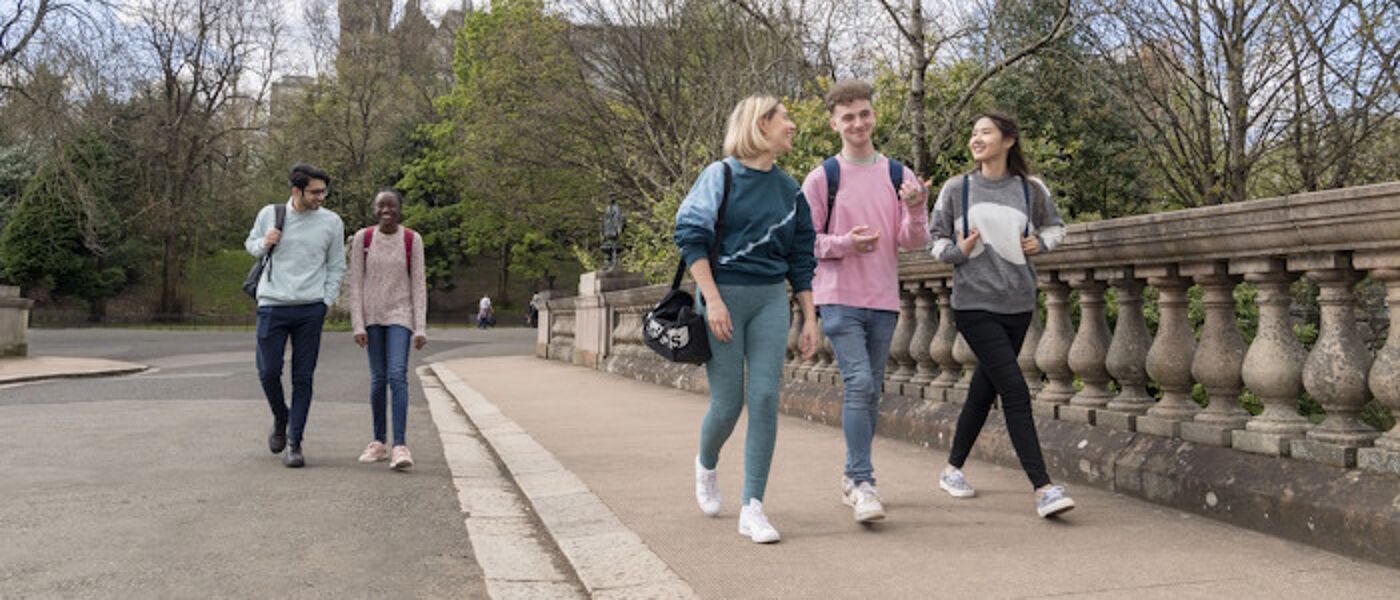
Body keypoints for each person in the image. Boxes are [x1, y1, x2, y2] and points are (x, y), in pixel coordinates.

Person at [675, 95, 819, 544]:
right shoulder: (719, 176)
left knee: (763, 398)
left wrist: (811, 317)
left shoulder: (791, 191)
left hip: (771, 299)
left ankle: (752, 507)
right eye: (785, 118)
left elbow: (801, 257)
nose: (792, 125)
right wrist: (712, 300)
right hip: (723, 296)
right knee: (728, 402)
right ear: (760, 124)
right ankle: (706, 464)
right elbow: (691, 237)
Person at [928, 111, 1074, 517]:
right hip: (974, 305)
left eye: (985, 132)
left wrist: (1040, 245)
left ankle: (952, 468)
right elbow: (934, 240)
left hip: (1019, 304)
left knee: (985, 388)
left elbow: (1057, 228)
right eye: (973, 132)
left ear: (1008, 140)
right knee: (1014, 388)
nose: (976, 138)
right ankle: (1043, 488)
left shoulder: (1031, 189)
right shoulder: (958, 188)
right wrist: (960, 251)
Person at [800, 80, 931, 523]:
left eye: (864, 114)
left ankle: (852, 480)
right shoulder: (823, 178)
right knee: (859, 383)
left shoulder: (900, 175)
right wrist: (844, 244)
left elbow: (913, 242)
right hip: (838, 299)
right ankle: (863, 480)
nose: (858, 123)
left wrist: (916, 207)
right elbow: (803, 243)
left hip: (884, 300)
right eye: (848, 116)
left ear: (874, 116)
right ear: (834, 123)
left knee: (871, 390)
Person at [245, 163, 346, 468]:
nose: (321, 197)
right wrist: (265, 243)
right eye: (315, 192)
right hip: (272, 304)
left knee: (303, 378)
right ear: (296, 190)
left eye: (324, 191)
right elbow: (250, 245)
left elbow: (336, 265)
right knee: (267, 371)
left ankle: (294, 441)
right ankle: (281, 417)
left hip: (310, 309)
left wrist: (325, 301)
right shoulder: (270, 214)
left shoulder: (331, 222)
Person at [348, 189, 428, 470]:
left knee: (397, 374)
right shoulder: (363, 239)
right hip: (372, 316)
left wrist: (420, 327)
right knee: (378, 378)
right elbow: (355, 283)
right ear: (374, 209)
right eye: (381, 206)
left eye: (392, 206)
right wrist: (357, 322)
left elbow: (418, 283)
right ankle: (379, 441)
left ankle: (400, 445)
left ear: (399, 209)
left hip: (400, 315)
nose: (386, 211)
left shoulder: (411, 239)